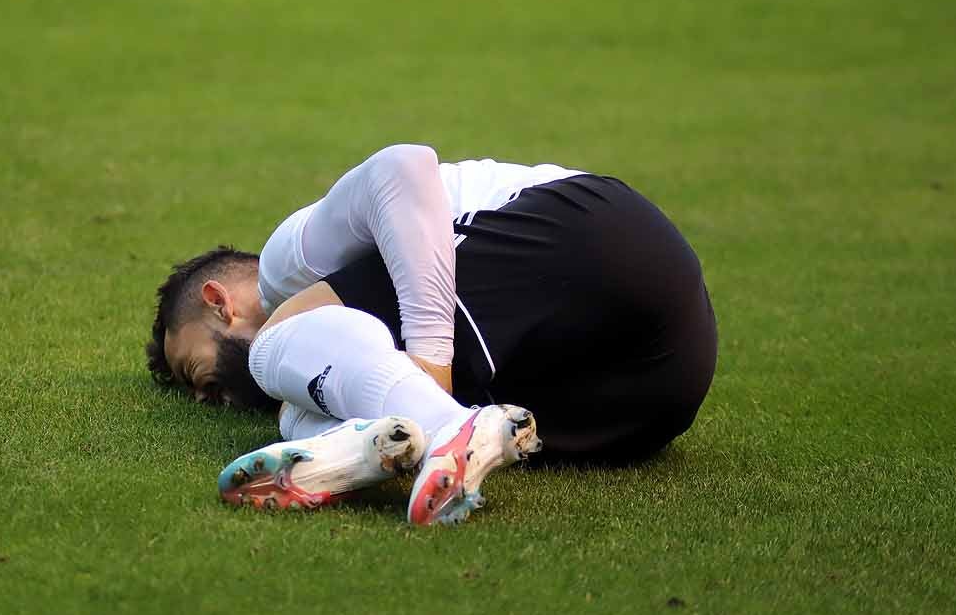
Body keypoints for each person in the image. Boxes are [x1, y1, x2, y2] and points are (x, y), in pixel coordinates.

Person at [146, 145, 718, 525]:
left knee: (276, 343)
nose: (199, 395)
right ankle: (371, 446)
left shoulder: (281, 267)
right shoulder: (346, 357)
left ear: (217, 303)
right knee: (299, 407)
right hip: (653, 397)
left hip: (592, 234)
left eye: (186, 368)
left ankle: (444, 427)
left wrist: (431, 360)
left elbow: (402, 167)